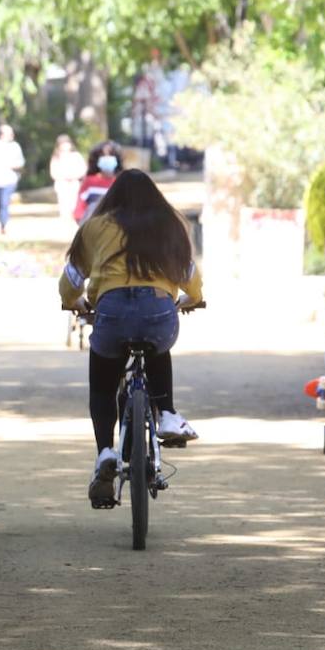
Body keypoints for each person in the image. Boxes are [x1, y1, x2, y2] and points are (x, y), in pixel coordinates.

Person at [58, 169, 203, 507]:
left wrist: (72, 303)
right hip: (158, 311)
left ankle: (105, 452)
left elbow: (71, 278)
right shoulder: (171, 225)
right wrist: (191, 299)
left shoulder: (94, 227)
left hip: (111, 312)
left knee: (103, 385)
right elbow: (189, 275)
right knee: (157, 344)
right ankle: (167, 413)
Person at [72, 141, 123, 223]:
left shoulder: (122, 182)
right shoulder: (89, 181)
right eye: (103, 155)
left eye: (110, 155)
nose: (107, 158)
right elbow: (79, 210)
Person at [49, 134, 85, 222]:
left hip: (74, 183)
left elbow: (83, 169)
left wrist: (73, 176)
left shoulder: (76, 156)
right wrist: (64, 177)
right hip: (62, 184)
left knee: (74, 203)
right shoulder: (56, 157)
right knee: (63, 204)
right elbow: (53, 172)